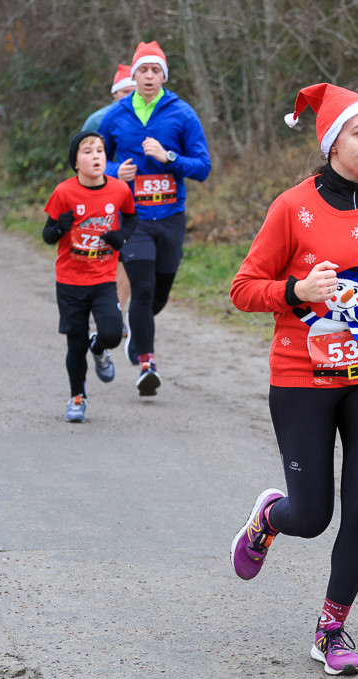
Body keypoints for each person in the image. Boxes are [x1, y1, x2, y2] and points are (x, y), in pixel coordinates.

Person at [228, 83, 358, 676]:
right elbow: (243, 289)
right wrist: (295, 291)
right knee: (313, 516)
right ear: (332, 140)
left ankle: (331, 629)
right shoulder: (292, 208)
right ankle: (270, 517)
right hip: (301, 380)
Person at [98, 40, 211, 397]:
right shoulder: (115, 116)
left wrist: (169, 158)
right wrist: (117, 171)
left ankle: (137, 332)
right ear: (134, 75)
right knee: (143, 289)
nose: (149, 76)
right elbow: (95, 161)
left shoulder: (182, 113)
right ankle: (147, 363)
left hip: (171, 216)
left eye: (155, 70)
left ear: (164, 75)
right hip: (134, 218)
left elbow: (203, 167)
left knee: (158, 293)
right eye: (143, 70)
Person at [42, 131, 138, 422]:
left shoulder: (120, 189)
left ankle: (100, 349)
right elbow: (47, 235)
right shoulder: (64, 192)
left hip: (103, 277)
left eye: (100, 151)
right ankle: (77, 397)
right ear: (75, 162)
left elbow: (131, 217)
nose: (95, 156)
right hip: (70, 279)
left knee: (111, 333)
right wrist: (61, 227)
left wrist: (121, 236)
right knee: (75, 343)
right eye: (87, 151)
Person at [84, 64, 138, 331]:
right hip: (100, 198)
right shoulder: (97, 121)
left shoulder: (146, 119)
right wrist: (116, 171)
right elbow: (83, 161)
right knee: (103, 257)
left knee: (127, 257)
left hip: (133, 201)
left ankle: (119, 309)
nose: (129, 96)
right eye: (124, 91)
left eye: (133, 91)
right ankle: (96, 304)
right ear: (114, 94)